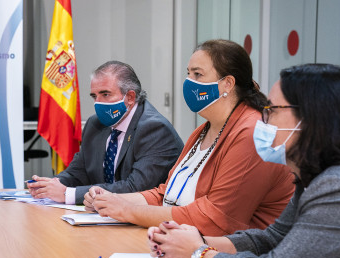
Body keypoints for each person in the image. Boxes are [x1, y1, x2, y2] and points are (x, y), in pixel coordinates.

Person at [150, 63, 340, 258]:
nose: (264, 119)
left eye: (273, 110)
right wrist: (190, 242)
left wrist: (199, 254)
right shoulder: (312, 179)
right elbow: (271, 239)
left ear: (311, 119)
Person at [84, 40, 294, 235]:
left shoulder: (252, 133)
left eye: (197, 75)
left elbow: (215, 220)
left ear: (228, 84)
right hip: (186, 243)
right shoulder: (204, 130)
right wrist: (109, 199)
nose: (189, 82)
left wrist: (126, 211)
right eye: (188, 74)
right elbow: (165, 195)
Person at [28, 61, 183, 205]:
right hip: (104, 216)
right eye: (94, 96)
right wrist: (51, 185)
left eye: (105, 94)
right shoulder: (95, 124)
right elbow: (79, 172)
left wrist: (68, 194)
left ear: (129, 97)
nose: (98, 103)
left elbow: (135, 188)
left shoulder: (155, 129)